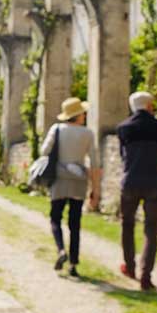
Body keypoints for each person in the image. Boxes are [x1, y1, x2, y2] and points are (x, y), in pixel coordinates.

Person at [39, 97, 102, 277]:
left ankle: (61, 250)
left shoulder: (57, 129)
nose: (84, 115)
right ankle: (73, 264)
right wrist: (95, 190)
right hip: (79, 180)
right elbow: (95, 162)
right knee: (75, 223)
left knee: (55, 218)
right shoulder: (87, 133)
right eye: (83, 112)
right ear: (78, 115)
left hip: (59, 178)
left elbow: (44, 151)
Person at [116, 91, 157, 291]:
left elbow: (123, 156)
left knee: (127, 225)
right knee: (151, 229)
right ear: (149, 105)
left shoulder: (123, 128)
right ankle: (146, 276)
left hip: (130, 181)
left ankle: (129, 267)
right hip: (154, 182)